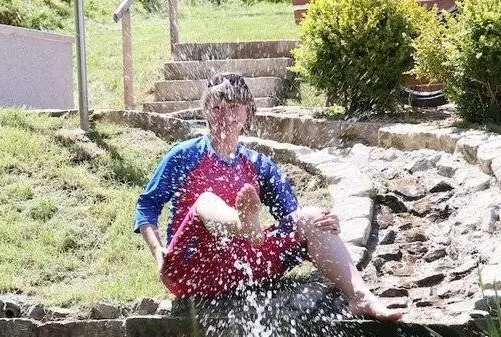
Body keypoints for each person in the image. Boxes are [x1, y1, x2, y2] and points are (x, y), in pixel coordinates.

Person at [133, 72, 402, 321]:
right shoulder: (184, 155)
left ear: (247, 114)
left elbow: (291, 219)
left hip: (240, 269)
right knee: (205, 200)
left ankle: (361, 298)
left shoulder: (259, 165)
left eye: (233, 108)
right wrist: (158, 252)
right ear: (206, 112)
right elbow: (147, 205)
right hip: (189, 269)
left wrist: (324, 223)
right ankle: (241, 224)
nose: (224, 116)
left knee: (309, 218)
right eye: (216, 108)